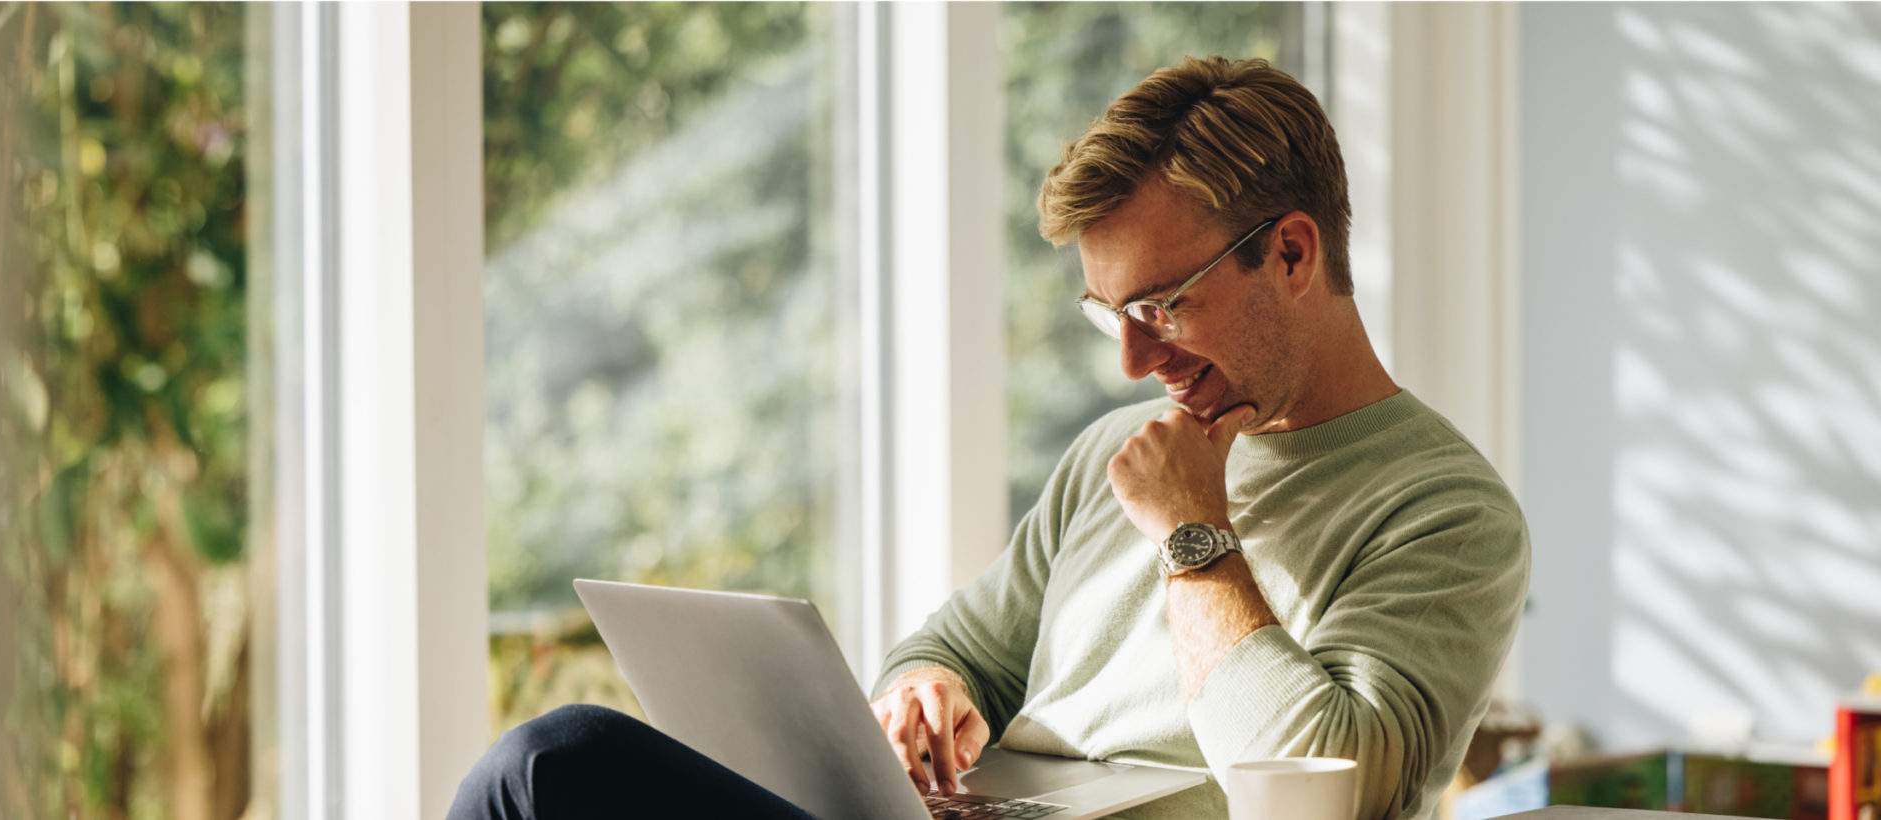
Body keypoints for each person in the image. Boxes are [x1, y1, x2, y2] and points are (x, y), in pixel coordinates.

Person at [448, 55, 1529, 820]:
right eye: (1111, 316)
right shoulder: (1115, 449)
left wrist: (1194, 533)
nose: (1133, 364)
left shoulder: (1445, 513)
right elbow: (960, 647)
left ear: (1290, 255)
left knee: (558, 763)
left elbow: (1318, 779)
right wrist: (925, 693)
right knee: (542, 773)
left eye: (1163, 306)